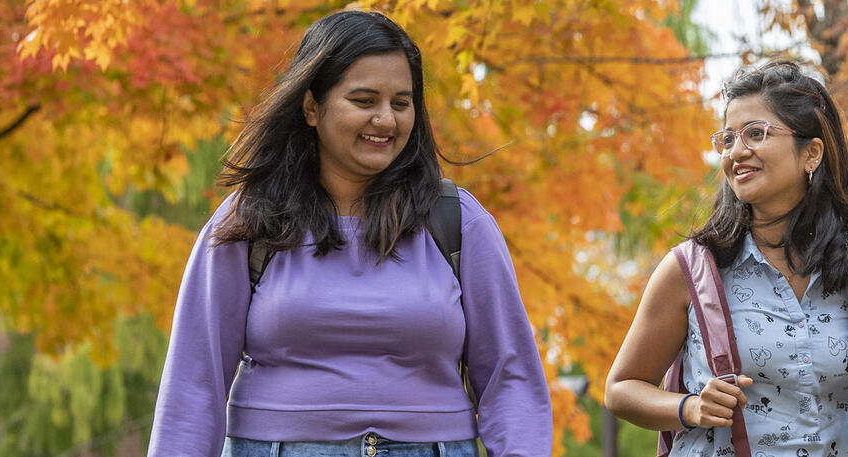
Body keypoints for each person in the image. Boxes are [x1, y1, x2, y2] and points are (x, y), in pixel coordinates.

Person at [147, 10, 551, 457]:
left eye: (401, 103)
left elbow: (511, 377)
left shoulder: (457, 220)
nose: (386, 120)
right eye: (364, 101)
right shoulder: (250, 220)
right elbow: (193, 382)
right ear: (311, 106)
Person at [604, 61, 848, 456]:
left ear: (812, 153)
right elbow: (621, 388)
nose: (737, 152)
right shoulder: (691, 270)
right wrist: (691, 406)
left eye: (756, 133)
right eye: (729, 138)